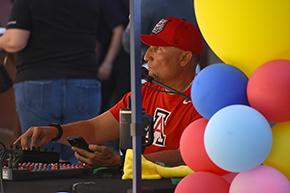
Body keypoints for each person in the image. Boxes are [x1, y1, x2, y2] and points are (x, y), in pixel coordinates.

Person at [14, 17, 204, 169]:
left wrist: (120, 162)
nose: (147, 56)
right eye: (149, 48)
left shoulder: (204, 101)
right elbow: (95, 129)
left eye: (158, 49)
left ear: (185, 57)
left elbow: (185, 155)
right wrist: (55, 132)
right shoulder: (144, 92)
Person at [0, 0, 101, 164]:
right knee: (80, 157)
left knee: (40, 158)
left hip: (38, 81)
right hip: (84, 81)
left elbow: (15, 40)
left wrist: (1, 41)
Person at [96, 0, 131, 155]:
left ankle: (121, 151)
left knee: (122, 105)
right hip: (109, 56)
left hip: (121, 59)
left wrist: (107, 63)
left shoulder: (107, 3)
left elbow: (119, 30)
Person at [122, 0, 203, 65]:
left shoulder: (146, 3)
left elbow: (130, 42)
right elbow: (202, 43)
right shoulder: (190, 3)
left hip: (157, 71)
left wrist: (133, 17)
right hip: (191, 67)